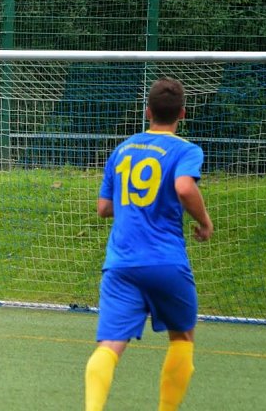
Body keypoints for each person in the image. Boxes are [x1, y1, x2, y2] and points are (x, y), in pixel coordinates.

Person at [85, 77, 214, 411]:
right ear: (182, 114)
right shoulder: (185, 150)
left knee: (109, 346)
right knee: (182, 337)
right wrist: (204, 221)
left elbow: (103, 208)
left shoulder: (122, 149)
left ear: (147, 112)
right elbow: (184, 187)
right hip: (165, 261)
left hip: (121, 264)